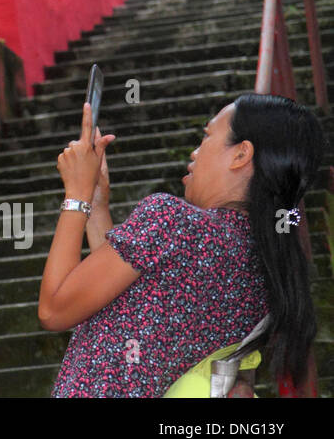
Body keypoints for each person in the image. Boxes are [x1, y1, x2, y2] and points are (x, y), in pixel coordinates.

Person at [41, 95, 323, 397]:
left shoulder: (171, 219)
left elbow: (54, 308)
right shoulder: (265, 267)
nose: (195, 152)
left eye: (206, 137)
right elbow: (121, 302)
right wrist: (97, 206)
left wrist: (77, 194)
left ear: (241, 154)